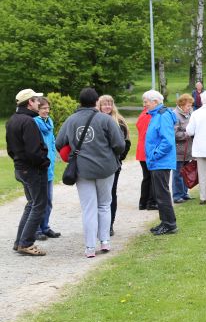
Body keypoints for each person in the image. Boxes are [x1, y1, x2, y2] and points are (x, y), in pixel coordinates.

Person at [56, 88, 125, 257]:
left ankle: (89, 247)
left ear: (79, 102)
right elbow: (119, 144)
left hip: (82, 169)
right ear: (96, 102)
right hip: (106, 168)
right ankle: (105, 241)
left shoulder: (71, 120)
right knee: (104, 205)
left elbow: (59, 142)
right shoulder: (105, 120)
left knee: (89, 208)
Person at [7, 89, 50, 256]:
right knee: (39, 205)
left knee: (32, 204)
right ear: (30, 102)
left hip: (21, 168)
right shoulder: (28, 121)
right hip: (33, 170)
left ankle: (20, 242)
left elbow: (11, 150)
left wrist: (20, 163)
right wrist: (44, 163)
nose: (39, 102)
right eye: (36, 99)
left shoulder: (13, 120)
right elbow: (34, 152)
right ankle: (26, 243)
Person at [144, 90, 179, 235]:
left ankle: (170, 224)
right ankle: (165, 221)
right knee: (159, 193)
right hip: (158, 161)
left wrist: (154, 155)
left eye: (146, 101)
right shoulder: (157, 115)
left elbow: (167, 141)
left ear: (155, 102)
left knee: (162, 194)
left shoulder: (163, 115)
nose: (144, 104)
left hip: (161, 161)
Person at [97, 95, 131, 236]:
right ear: (99, 105)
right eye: (105, 104)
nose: (108, 107)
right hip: (97, 164)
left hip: (113, 164)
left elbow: (126, 143)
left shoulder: (119, 121)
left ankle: (109, 224)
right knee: (96, 195)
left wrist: (118, 158)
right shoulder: (94, 120)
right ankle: (97, 223)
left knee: (111, 193)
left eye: (110, 104)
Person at [33, 97, 61, 241]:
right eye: (43, 108)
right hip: (40, 166)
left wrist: (56, 154)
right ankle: (36, 229)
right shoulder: (34, 123)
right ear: (38, 109)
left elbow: (53, 140)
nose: (46, 111)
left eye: (48, 108)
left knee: (49, 200)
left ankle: (45, 227)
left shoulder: (49, 122)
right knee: (39, 200)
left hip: (49, 167)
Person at [173, 93, 194, 204]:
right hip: (178, 150)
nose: (189, 107)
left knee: (186, 172)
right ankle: (177, 195)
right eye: (187, 105)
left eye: (190, 105)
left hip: (188, 149)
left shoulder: (190, 113)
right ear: (181, 104)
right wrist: (187, 134)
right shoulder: (175, 115)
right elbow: (174, 134)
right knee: (178, 173)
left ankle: (185, 193)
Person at [135, 98, 156, 211]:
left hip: (141, 150)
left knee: (146, 177)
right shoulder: (150, 115)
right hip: (147, 150)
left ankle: (143, 202)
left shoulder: (142, 114)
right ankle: (151, 202)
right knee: (152, 177)